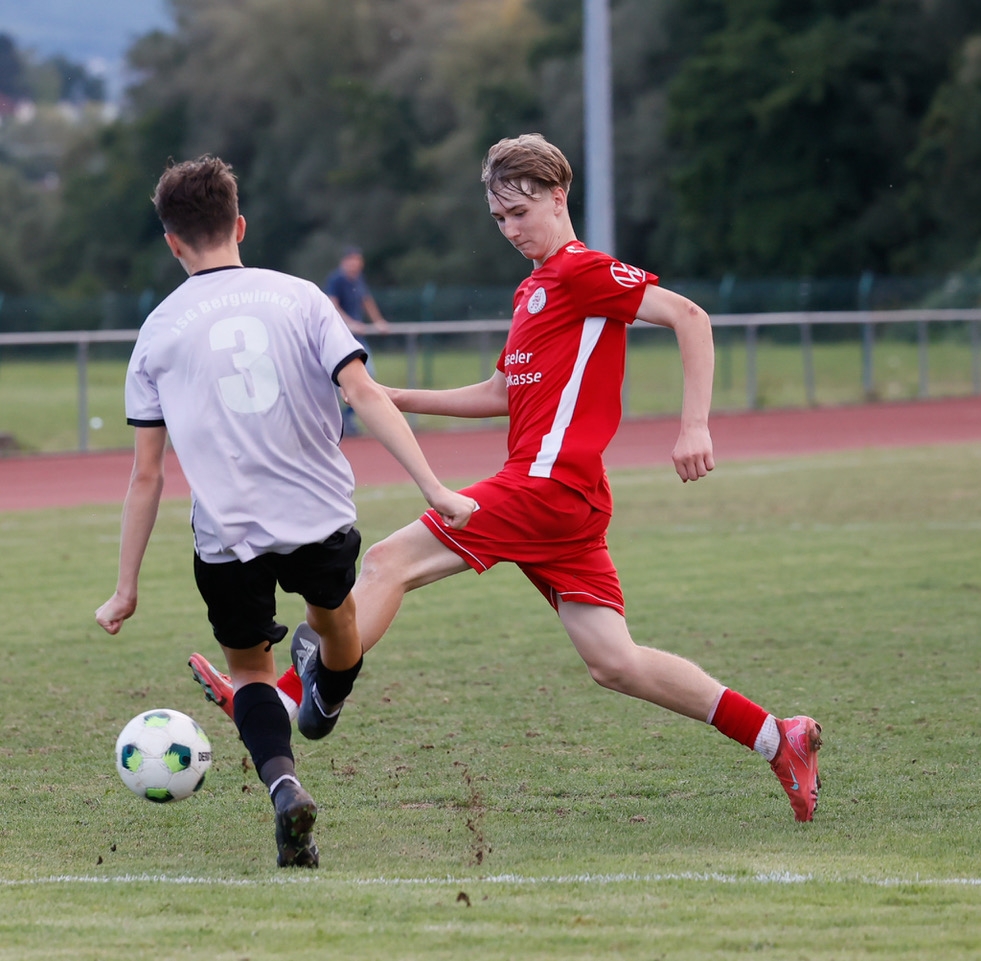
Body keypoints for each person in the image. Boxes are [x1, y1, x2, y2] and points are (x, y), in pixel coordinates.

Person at [189, 134, 822, 822]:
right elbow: (501, 392)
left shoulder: (581, 270)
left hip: (545, 486)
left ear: (558, 196)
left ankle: (282, 697)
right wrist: (395, 397)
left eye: (520, 212)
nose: (511, 229)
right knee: (614, 661)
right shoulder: (534, 289)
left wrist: (694, 423)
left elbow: (690, 317)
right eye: (498, 218)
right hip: (564, 497)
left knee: (390, 562)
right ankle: (776, 737)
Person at [95, 155, 476, 869]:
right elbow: (364, 394)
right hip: (319, 518)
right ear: (240, 225)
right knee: (337, 628)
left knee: (250, 672)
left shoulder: (156, 331)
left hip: (228, 537)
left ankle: (284, 785)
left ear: (172, 243)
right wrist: (434, 486)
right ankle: (325, 700)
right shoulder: (302, 298)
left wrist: (125, 588)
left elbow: (146, 474)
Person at [323, 246, 390, 436]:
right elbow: (332, 304)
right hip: (339, 337)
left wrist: (378, 321)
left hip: (356, 338)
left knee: (369, 376)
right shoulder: (336, 279)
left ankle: (348, 417)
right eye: (351, 260)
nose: (355, 264)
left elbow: (366, 301)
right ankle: (338, 420)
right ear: (344, 261)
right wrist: (350, 323)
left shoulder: (358, 279)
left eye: (358, 260)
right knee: (338, 383)